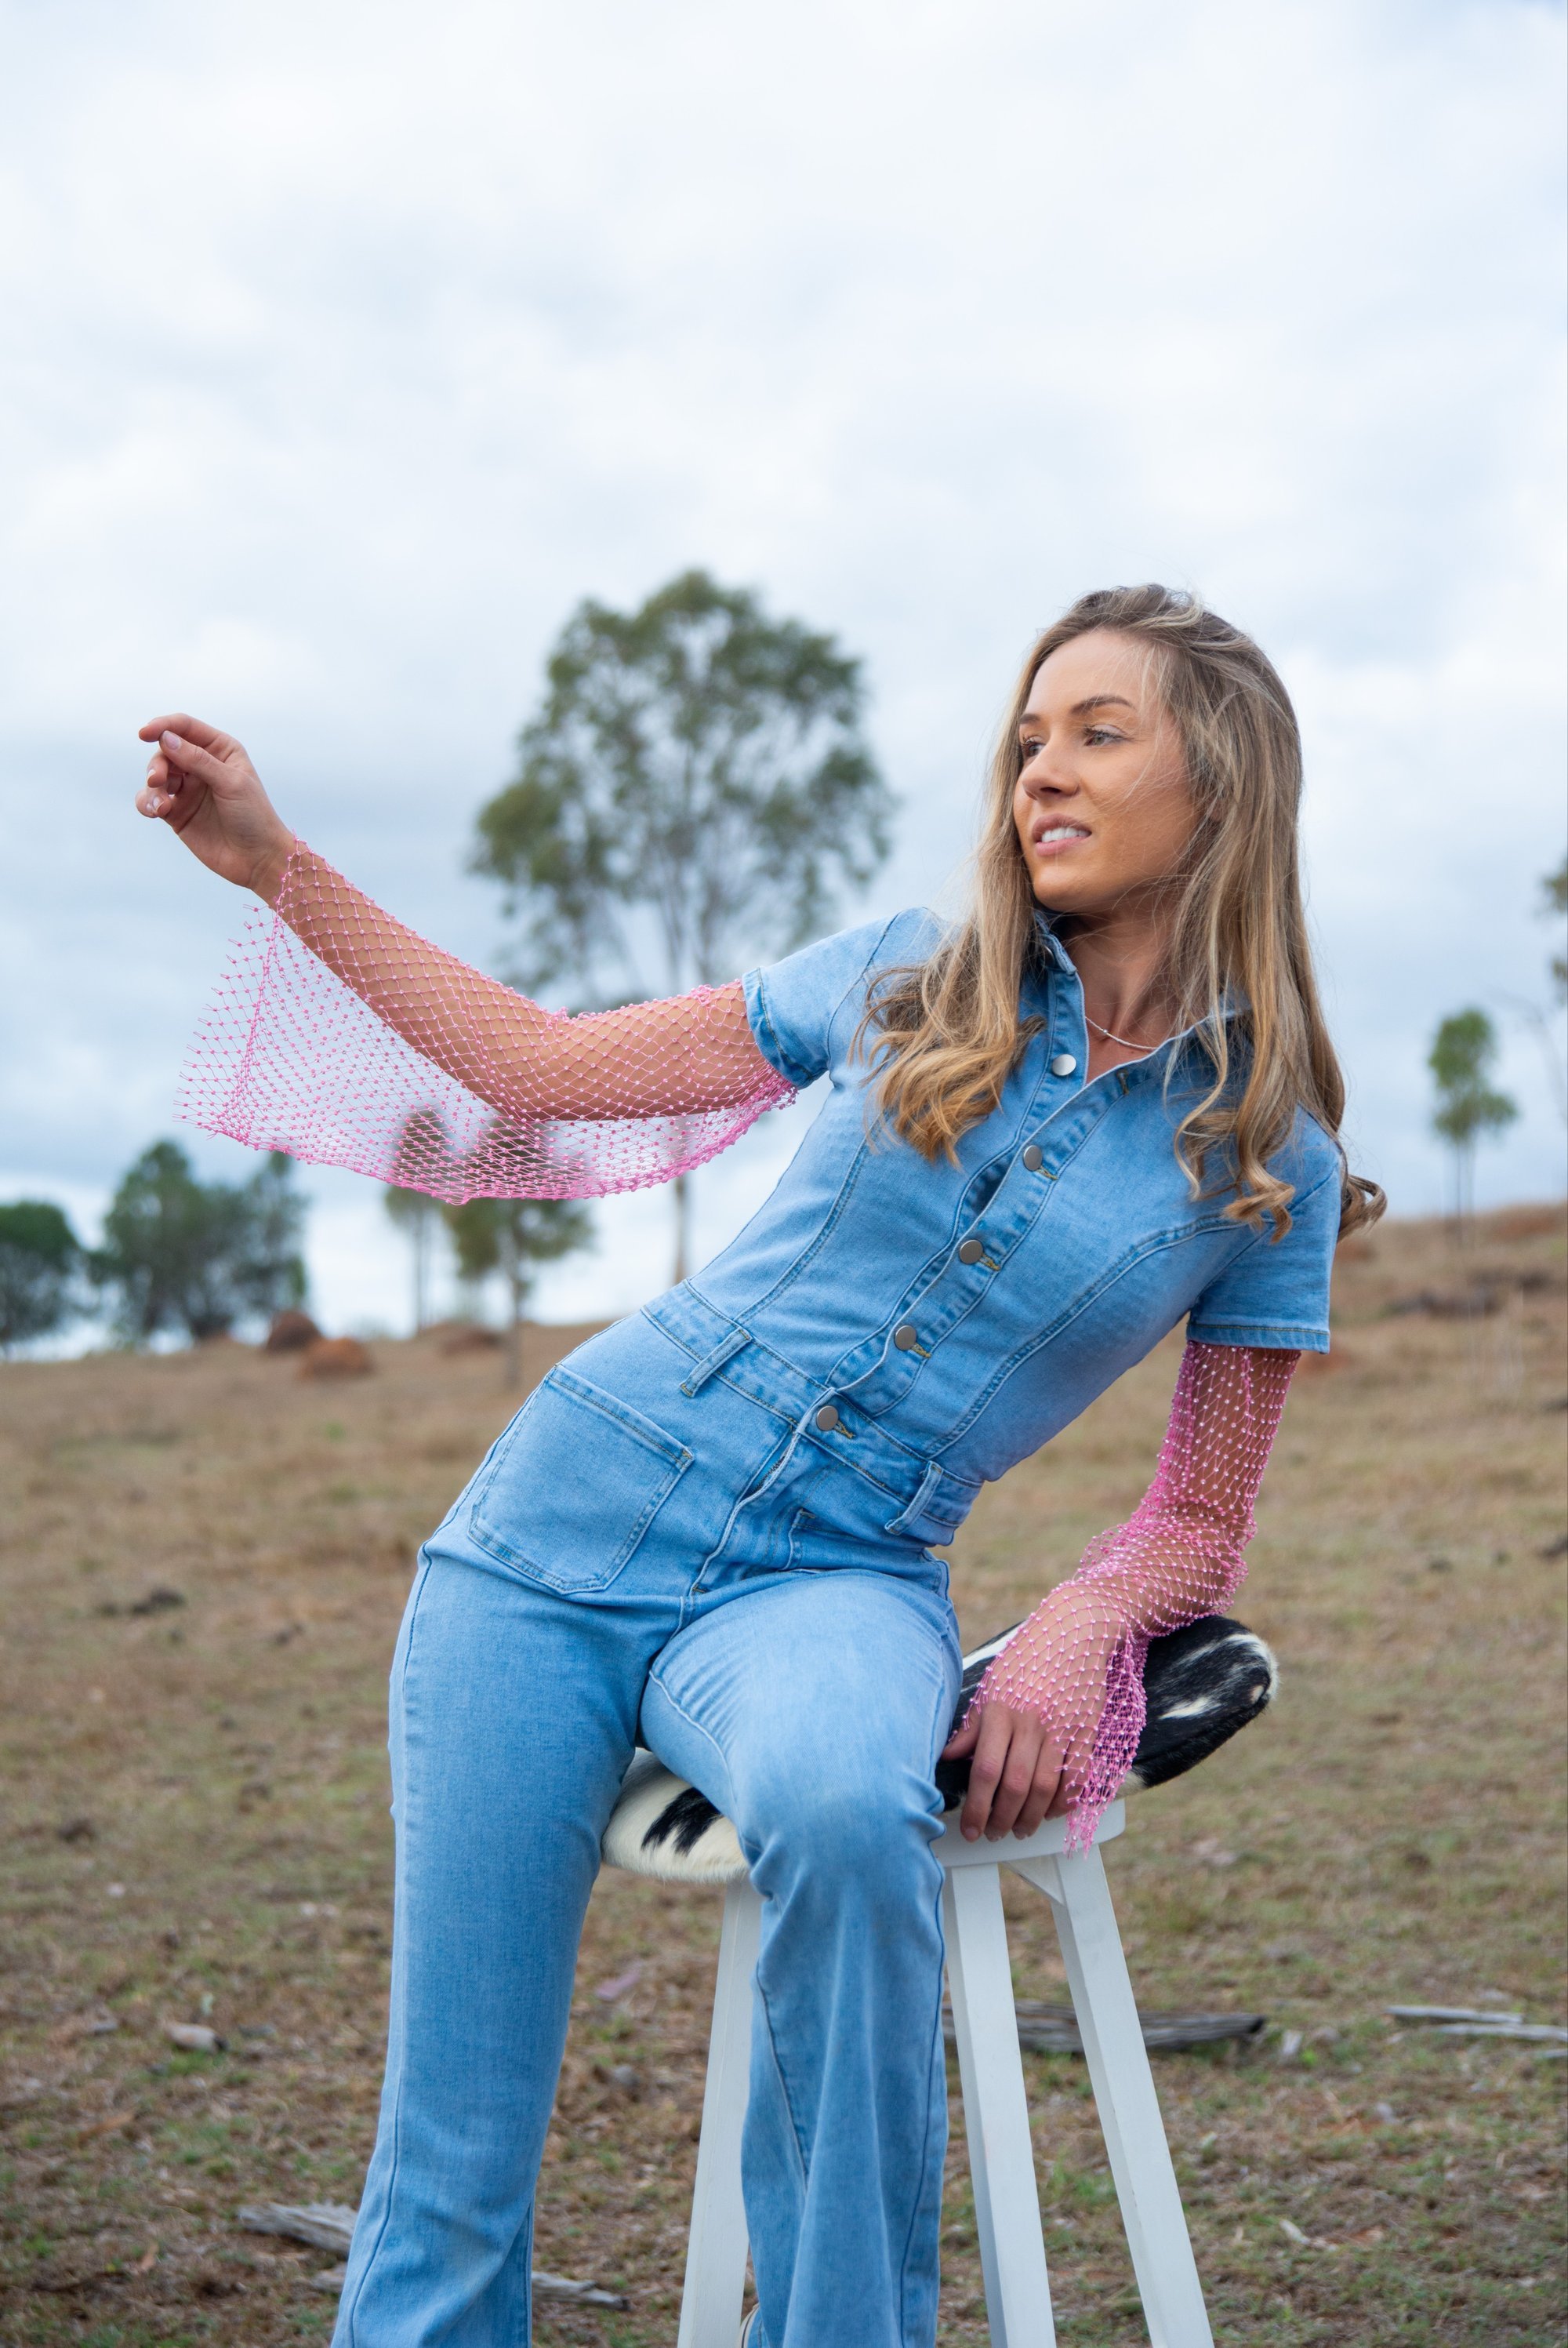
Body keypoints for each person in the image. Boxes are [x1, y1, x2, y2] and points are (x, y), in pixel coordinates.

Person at [135, 583, 1381, 2348]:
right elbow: (541, 1068)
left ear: (1227, 788)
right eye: (1029, 737)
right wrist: (279, 865)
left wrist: (1085, 1618)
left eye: (1099, 733)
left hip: (837, 1579)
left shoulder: (1266, 1159)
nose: (1041, 771)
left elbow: (1199, 1514)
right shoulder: (905, 976)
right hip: (554, 1527)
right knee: (454, 2157)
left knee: (847, 1815)